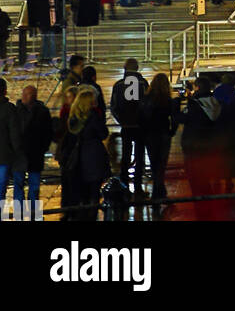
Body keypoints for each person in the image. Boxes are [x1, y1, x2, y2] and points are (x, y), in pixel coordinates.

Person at [57, 87, 110, 221]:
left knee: (81, 193)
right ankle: (91, 216)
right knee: (93, 192)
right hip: (93, 158)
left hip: (77, 162)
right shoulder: (93, 117)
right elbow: (103, 133)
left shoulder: (73, 119)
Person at [179, 76, 226, 219]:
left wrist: (176, 104)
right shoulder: (216, 102)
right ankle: (209, 204)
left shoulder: (195, 105)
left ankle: (201, 208)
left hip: (194, 147)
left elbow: (182, 118)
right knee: (206, 178)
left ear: (197, 88)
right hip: (210, 145)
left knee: (195, 179)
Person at [139, 72, 179, 210]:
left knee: (155, 164)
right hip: (163, 134)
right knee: (161, 166)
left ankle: (159, 194)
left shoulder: (146, 98)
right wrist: (172, 131)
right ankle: (159, 195)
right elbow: (174, 118)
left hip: (150, 135)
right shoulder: (168, 100)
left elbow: (142, 117)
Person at [109, 58, 148, 197]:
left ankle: (124, 185)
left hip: (126, 125)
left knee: (126, 155)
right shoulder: (143, 84)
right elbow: (146, 105)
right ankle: (138, 187)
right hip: (140, 126)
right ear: (137, 68)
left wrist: (122, 120)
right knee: (139, 156)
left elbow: (113, 106)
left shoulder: (119, 85)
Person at [15, 84, 53, 218]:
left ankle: (34, 214)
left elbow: (48, 133)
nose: (24, 97)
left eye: (28, 94)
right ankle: (19, 214)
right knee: (18, 186)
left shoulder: (42, 112)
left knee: (34, 187)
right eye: (24, 94)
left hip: (35, 154)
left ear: (34, 96)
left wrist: (42, 148)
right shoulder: (17, 111)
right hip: (19, 155)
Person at [213, 75, 235, 194]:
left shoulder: (216, 93)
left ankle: (216, 178)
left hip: (218, 130)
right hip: (233, 130)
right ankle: (229, 180)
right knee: (231, 156)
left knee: (217, 155)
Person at [0, 76, 24, 207]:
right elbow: (15, 133)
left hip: (5, 155)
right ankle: (20, 214)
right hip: (5, 156)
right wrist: (17, 151)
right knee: (4, 186)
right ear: (4, 91)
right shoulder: (9, 109)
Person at [0, 5, 10, 72]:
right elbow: (9, 22)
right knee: (3, 53)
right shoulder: (4, 14)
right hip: (3, 36)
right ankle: (5, 67)